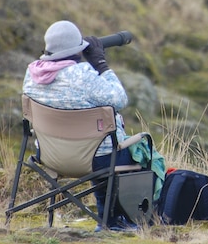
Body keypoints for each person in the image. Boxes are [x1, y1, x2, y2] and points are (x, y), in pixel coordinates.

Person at [22, 20, 138, 232]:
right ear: (78, 50)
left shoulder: (31, 75)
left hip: (50, 156)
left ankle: (107, 219)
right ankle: (116, 221)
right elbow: (119, 99)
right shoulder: (83, 75)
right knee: (137, 152)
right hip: (96, 160)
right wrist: (100, 63)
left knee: (96, 146)